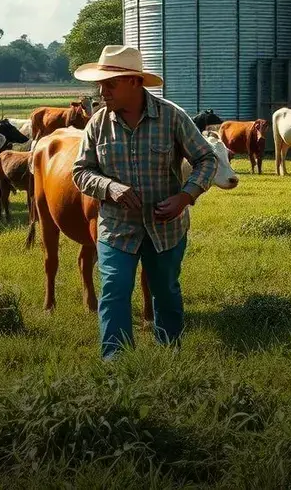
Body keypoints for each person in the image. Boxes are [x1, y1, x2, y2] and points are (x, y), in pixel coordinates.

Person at [71, 44, 219, 359]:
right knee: (114, 292)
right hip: (116, 229)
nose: (101, 91)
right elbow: (80, 172)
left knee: (165, 293)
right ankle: (117, 365)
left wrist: (185, 195)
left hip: (166, 228)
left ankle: (170, 356)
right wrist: (109, 187)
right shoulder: (97, 124)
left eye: (110, 83)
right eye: (100, 84)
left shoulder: (172, 117)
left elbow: (206, 159)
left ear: (135, 83)